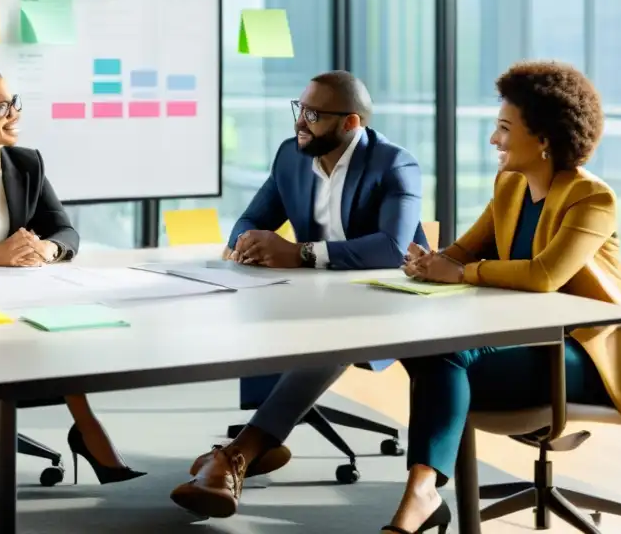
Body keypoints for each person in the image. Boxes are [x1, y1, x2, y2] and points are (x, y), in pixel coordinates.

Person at [381, 60, 621, 534]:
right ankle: (424, 490)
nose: (493, 140)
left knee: (445, 359)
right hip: (527, 339)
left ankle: (422, 493)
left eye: (504, 128)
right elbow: (466, 250)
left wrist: (461, 272)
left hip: (586, 352)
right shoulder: (511, 185)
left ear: (543, 139)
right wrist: (429, 262)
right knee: (425, 351)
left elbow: (545, 275)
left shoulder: (591, 198)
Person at [170, 70, 430, 518]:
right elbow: (253, 217)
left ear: (350, 123)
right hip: (317, 294)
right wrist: (244, 243)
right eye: (299, 109)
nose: (300, 122)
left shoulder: (394, 164)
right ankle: (261, 441)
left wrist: (302, 253)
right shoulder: (292, 156)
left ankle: (240, 453)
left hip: (386, 301)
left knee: (338, 335)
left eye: (313, 114)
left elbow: (390, 249)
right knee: (244, 299)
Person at [0, 60, 143, 484]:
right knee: (48, 331)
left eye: (13, 102)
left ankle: (87, 428)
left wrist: (48, 248)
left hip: (20, 296)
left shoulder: (27, 164)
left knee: (61, 324)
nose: (14, 113)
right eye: (0, 107)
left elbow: (66, 230)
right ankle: (89, 431)